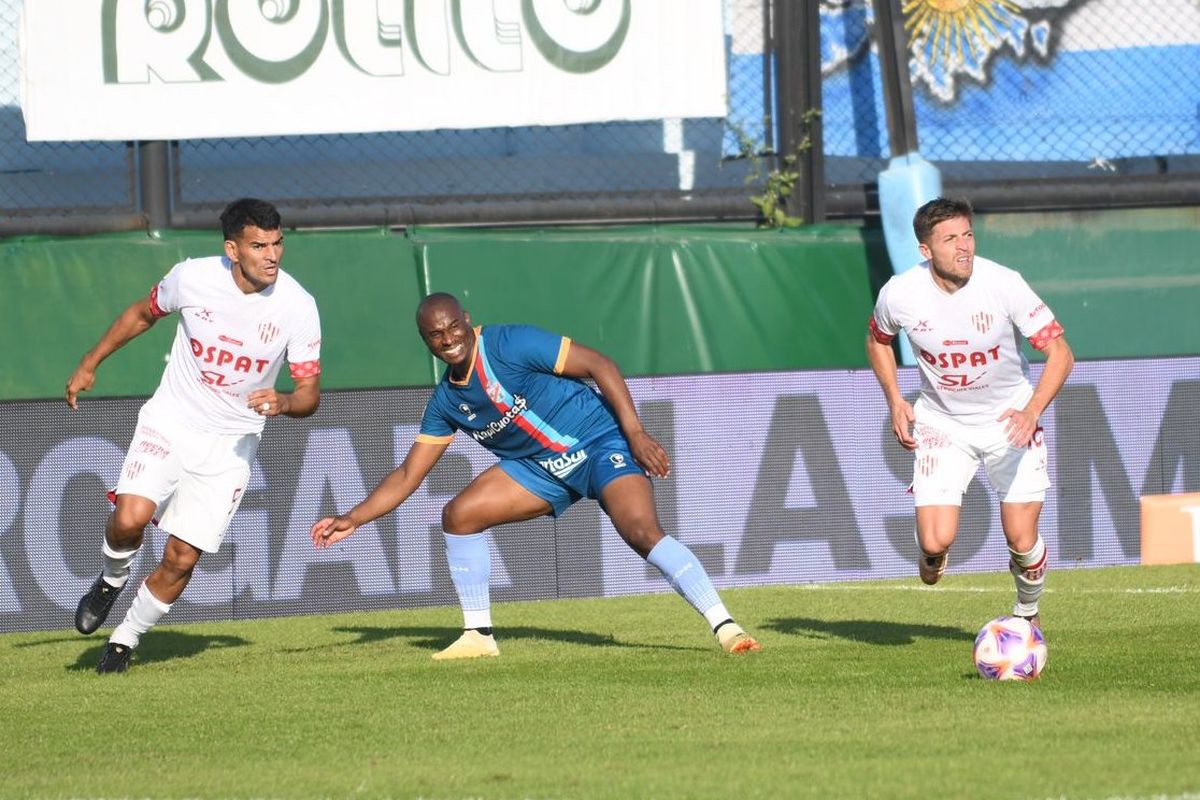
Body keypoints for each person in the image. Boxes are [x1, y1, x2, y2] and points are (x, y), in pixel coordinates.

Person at [310, 293, 760, 659]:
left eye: (453, 327)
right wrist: (354, 518)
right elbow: (408, 474)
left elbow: (599, 364)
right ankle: (478, 636)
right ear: (426, 342)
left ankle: (725, 626)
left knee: (641, 531)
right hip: (541, 470)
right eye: (436, 335)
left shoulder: (510, 344)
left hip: (600, 441)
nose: (449, 339)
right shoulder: (446, 401)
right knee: (459, 515)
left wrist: (635, 432)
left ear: (467, 320)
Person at [66, 198, 322, 673]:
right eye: (259, 245)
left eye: (278, 243)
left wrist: (285, 401)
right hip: (171, 420)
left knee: (182, 557)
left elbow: (309, 392)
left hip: (231, 445)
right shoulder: (192, 278)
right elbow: (143, 314)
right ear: (232, 249)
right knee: (129, 518)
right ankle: (111, 578)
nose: (272, 255)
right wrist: (89, 362)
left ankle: (124, 641)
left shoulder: (298, 306)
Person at [866, 197, 1074, 627]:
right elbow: (877, 340)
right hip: (943, 424)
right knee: (935, 539)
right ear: (926, 251)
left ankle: (1025, 616)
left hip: (1010, 421)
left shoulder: (1004, 284)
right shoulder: (900, 293)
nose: (964, 248)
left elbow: (1061, 354)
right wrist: (895, 400)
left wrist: (1032, 410)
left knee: (1021, 539)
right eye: (950, 239)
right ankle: (933, 556)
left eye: (968, 235)